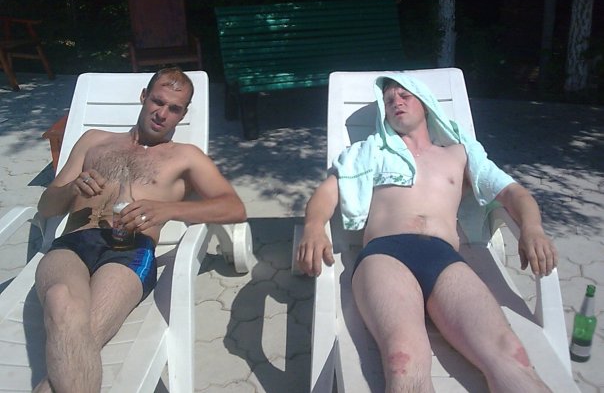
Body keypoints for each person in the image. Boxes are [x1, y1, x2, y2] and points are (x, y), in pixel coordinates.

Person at [296, 73, 558, 392]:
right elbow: (328, 192)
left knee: (511, 355)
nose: (396, 102)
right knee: (403, 360)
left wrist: (532, 228)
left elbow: (513, 192)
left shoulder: (459, 154)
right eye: (389, 100)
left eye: (405, 95)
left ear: (426, 104)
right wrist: (313, 227)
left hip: (444, 259)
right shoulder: (370, 152)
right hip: (385, 256)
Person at [33, 67, 247, 393]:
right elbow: (46, 207)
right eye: (157, 102)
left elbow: (234, 208)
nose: (162, 114)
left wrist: (169, 210)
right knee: (60, 300)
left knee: (85, 329)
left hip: (130, 252)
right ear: (144, 97)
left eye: (174, 109)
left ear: (182, 115)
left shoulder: (186, 157)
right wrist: (71, 188)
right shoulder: (93, 141)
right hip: (72, 243)